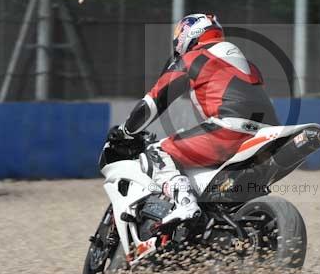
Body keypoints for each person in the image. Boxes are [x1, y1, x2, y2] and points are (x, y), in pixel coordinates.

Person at [110, 13, 279, 224]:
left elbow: (154, 102)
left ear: (188, 34)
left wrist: (126, 131)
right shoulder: (244, 61)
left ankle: (185, 204)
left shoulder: (193, 58)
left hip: (229, 131)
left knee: (157, 152)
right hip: (268, 133)